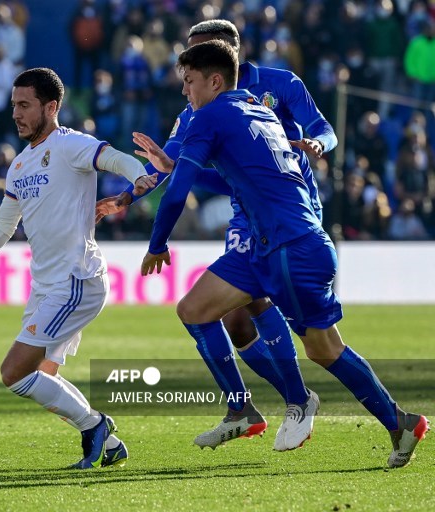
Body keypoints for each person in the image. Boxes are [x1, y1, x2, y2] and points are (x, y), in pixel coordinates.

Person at [134, 39, 428, 468]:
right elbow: (240, 173)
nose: (185, 92)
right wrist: (173, 167)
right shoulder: (256, 109)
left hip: (290, 248)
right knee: (195, 309)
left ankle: (398, 421)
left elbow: (178, 195)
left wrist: (157, 243)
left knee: (324, 349)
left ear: (214, 81)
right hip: (269, 243)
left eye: (190, 81)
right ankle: (241, 408)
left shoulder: (209, 115)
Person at [98, 19, 337, 451]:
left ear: (228, 55)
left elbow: (325, 128)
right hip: (241, 209)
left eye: (202, 53)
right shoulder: (195, 109)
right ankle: (253, 407)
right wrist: (126, 198)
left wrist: (319, 145)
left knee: (263, 306)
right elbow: (167, 163)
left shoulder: (279, 84)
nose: (189, 67)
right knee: (234, 318)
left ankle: (296, 402)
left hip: (286, 209)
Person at [0, 68, 159, 469]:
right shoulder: (19, 165)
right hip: (46, 286)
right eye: (14, 104)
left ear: (51, 107)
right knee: (43, 377)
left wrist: (137, 179)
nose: (16, 113)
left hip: (76, 281)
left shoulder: (71, 146)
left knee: (14, 373)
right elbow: (3, 226)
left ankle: (96, 425)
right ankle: (109, 443)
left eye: (24, 105)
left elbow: (117, 158)